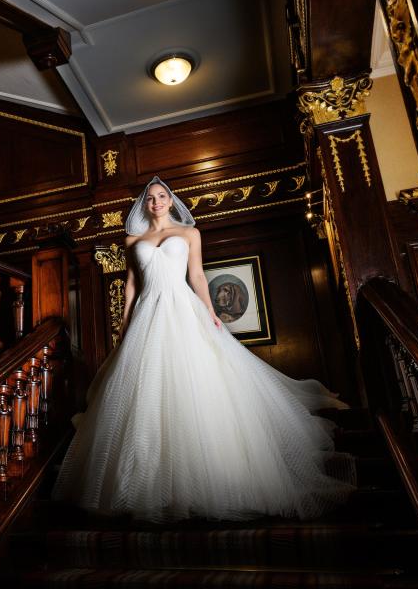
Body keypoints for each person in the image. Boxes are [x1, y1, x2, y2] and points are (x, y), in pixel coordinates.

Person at [52, 176, 354, 522]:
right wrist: (123, 324)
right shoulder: (132, 240)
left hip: (183, 308)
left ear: (170, 200)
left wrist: (209, 310)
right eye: (150, 198)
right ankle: (144, 483)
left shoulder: (189, 234)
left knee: (196, 383)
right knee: (146, 391)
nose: (156, 202)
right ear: (143, 204)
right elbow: (132, 283)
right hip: (148, 313)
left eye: (161, 196)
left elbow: (196, 275)